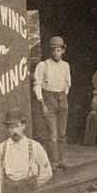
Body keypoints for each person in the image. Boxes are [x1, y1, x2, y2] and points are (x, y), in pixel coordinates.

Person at [34, 36, 71, 169]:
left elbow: (68, 84)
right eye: (54, 50)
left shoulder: (65, 66)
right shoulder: (43, 65)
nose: (56, 53)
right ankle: (54, 161)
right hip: (49, 99)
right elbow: (37, 85)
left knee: (62, 133)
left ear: (63, 51)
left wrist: (62, 97)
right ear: (51, 51)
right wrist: (43, 103)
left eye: (59, 50)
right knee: (53, 134)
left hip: (62, 99)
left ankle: (63, 160)